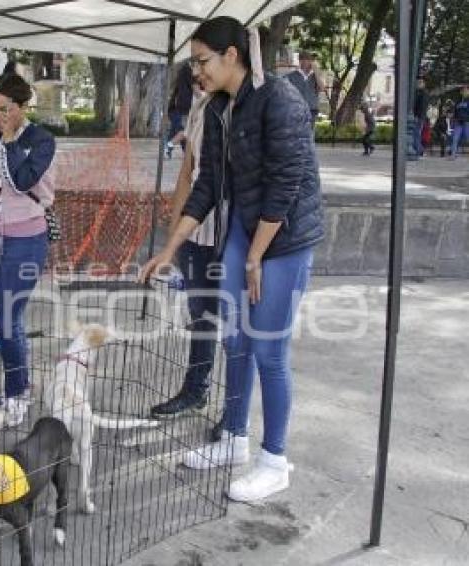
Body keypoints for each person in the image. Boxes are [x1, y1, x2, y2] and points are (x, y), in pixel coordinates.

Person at [140, 16, 324, 503]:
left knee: (268, 349)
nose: (196, 72)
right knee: (235, 339)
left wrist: (255, 258)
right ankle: (234, 440)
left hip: (283, 237)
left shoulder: (280, 100)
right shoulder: (220, 107)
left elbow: (286, 185)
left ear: (231, 56)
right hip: (246, 228)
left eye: (201, 61)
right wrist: (168, 250)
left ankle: (275, 461)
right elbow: (205, 186)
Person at [0, 73, 56, 427]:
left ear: (22, 108)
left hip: (27, 238)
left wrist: (8, 143)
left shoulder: (41, 140)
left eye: (5, 110)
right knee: (5, 315)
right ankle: (19, 382)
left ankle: (17, 392)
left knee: (8, 318)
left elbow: (22, 181)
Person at [150, 78, 219, 419]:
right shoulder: (199, 108)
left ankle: (235, 418)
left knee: (230, 322)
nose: (199, 74)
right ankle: (196, 389)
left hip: (225, 232)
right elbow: (187, 176)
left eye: (204, 62)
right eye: (194, 66)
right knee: (201, 315)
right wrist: (174, 238)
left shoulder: (244, 107)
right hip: (195, 232)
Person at [285, 51, 322, 127]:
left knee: (310, 135)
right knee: (296, 134)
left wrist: (316, 72)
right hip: (296, 110)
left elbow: (322, 88)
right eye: (309, 60)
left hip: (312, 110)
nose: (311, 63)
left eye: (311, 60)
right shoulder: (290, 76)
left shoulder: (315, 76)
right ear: (301, 61)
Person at [165, 64, 194, 159]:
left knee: (176, 132)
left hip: (175, 110)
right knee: (184, 132)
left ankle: (170, 149)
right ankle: (169, 146)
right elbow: (196, 91)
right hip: (179, 110)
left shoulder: (180, 84)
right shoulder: (187, 85)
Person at [449, 86, 469, 160]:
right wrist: (453, 119)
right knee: (455, 138)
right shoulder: (458, 101)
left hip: (467, 122)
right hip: (458, 122)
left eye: (466, 90)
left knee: (467, 138)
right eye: (463, 91)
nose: (464, 92)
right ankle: (453, 155)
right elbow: (455, 111)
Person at [412, 77, 429, 158]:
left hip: (419, 117)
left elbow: (422, 107)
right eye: (418, 82)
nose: (418, 84)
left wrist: (418, 116)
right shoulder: (418, 92)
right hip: (419, 117)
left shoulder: (423, 93)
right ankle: (419, 150)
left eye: (420, 82)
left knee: (416, 134)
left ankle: (419, 151)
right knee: (416, 134)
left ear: (424, 84)